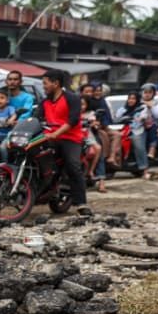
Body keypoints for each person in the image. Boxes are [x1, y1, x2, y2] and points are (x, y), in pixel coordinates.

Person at [40, 69, 92, 215]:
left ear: (56, 83)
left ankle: (81, 203)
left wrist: (56, 133)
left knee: (73, 166)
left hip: (70, 139)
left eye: (45, 83)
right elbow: (36, 117)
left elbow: (73, 120)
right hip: (49, 137)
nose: (43, 86)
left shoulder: (72, 98)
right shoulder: (45, 101)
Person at [119, 90, 152, 177]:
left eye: (133, 99)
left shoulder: (142, 107)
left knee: (138, 144)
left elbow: (144, 116)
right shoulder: (123, 109)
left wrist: (139, 118)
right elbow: (117, 117)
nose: (131, 100)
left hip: (137, 130)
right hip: (123, 130)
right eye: (129, 98)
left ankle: (145, 169)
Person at [79, 96, 107, 193]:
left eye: (83, 104)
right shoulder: (74, 113)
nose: (81, 106)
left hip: (88, 135)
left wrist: (94, 124)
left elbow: (95, 124)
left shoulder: (90, 114)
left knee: (98, 149)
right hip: (77, 135)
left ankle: (92, 171)